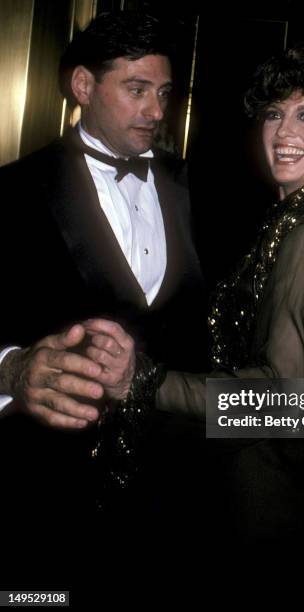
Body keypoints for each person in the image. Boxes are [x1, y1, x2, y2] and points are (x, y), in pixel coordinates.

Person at [86, 39, 304, 545]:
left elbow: (281, 400)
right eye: (274, 113)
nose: (283, 131)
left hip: (272, 497)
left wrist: (148, 381)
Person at [0, 10, 206, 575]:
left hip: (168, 501)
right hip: (46, 493)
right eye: (137, 90)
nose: (157, 112)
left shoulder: (197, 190)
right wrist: (10, 371)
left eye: (164, 93)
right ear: (84, 85)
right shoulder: (12, 192)